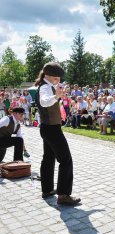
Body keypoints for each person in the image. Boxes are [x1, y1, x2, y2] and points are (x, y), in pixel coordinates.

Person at [35, 62, 81, 205]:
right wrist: (56, 96)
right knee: (65, 160)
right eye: (57, 78)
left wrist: (57, 94)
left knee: (48, 158)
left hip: (47, 128)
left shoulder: (47, 86)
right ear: (49, 76)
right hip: (52, 130)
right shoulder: (45, 87)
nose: (59, 81)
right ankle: (63, 195)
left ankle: (47, 189)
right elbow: (44, 102)